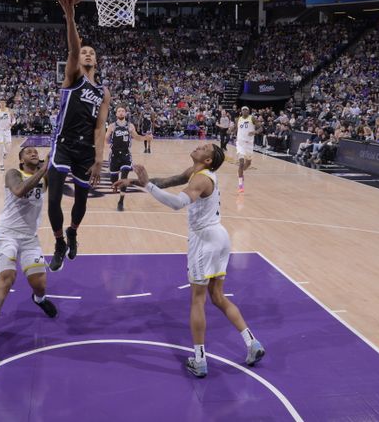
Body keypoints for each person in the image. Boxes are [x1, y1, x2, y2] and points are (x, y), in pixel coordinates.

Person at [113, 144, 265, 378]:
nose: (199, 146)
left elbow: (177, 203)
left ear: (207, 161)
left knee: (197, 300)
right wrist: (134, 183)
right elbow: (168, 181)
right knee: (218, 297)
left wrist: (147, 186)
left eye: (205, 148)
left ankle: (200, 359)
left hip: (204, 240)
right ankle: (252, 343)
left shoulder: (201, 180)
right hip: (219, 237)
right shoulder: (194, 172)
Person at [0, 148, 57, 365]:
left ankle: (39, 299)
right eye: (27, 152)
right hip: (7, 235)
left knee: (39, 284)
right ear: (20, 160)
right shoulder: (13, 173)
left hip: (30, 238)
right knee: (6, 278)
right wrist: (45, 168)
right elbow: (19, 191)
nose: (33, 153)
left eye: (35, 152)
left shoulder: (45, 174)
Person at [46, 0, 110, 272]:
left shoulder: (102, 91)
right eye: (85, 51)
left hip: (86, 151)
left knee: (82, 201)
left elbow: (100, 126)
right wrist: (70, 15)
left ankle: (72, 231)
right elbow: (73, 49)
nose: (87, 54)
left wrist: (99, 159)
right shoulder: (72, 77)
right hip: (63, 143)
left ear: (96, 61)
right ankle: (59, 241)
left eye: (91, 53)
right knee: (53, 199)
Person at [105, 106, 151, 212]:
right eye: (119, 111)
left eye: (122, 111)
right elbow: (106, 138)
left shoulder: (130, 126)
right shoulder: (112, 126)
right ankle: (116, 186)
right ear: (116, 114)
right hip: (114, 156)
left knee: (124, 176)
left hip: (125, 155)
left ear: (125, 113)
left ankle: (121, 202)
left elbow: (137, 137)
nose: (121, 113)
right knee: (114, 180)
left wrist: (145, 138)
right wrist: (105, 142)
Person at [232, 106, 260, 193]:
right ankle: (240, 185)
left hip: (249, 144)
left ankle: (241, 172)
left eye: (246, 110)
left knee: (248, 163)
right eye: (243, 109)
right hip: (240, 144)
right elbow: (235, 129)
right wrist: (231, 130)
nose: (244, 111)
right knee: (241, 163)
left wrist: (255, 132)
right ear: (241, 111)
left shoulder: (252, 118)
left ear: (248, 111)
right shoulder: (238, 119)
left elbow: (261, 128)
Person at [0, 100, 14, 172]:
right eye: (1, 103)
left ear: (5, 104)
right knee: (0, 146)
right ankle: (1, 164)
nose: (2, 104)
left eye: (3, 103)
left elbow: (14, 120)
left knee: (8, 146)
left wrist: (12, 124)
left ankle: (5, 152)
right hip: (0, 131)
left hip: (7, 131)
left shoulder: (9, 111)